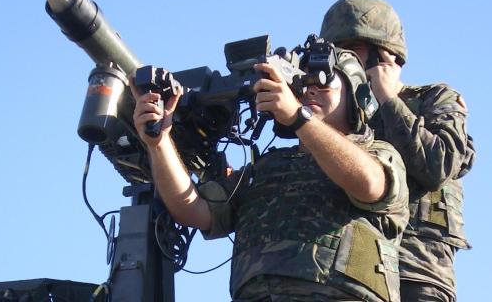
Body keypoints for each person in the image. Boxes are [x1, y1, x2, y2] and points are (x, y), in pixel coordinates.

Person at [131, 54, 409, 301]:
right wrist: (159, 143)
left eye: (324, 81)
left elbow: (369, 184)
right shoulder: (266, 167)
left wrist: (299, 117)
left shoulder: (379, 154)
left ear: (358, 98)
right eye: (304, 84)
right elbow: (195, 211)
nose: (311, 90)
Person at [320, 0, 476, 302]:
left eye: (350, 51)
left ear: (384, 55)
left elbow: (438, 165)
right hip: (351, 273)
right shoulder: (337, 108)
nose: (340, 61)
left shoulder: (434, 99)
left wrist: (388, 99)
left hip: (415, 270)